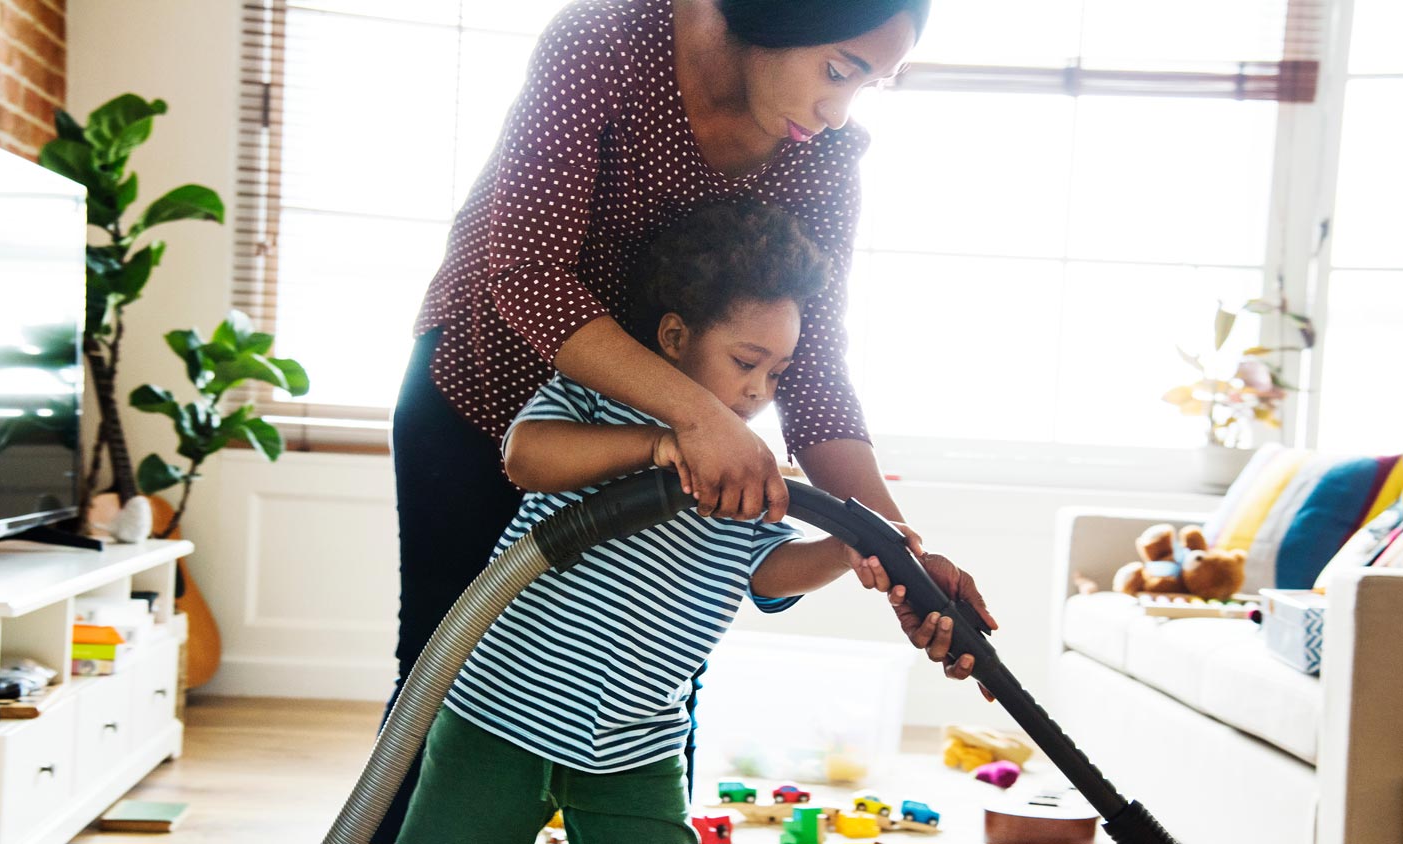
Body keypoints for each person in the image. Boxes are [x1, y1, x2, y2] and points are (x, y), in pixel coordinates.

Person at [384, 1, 996, 838]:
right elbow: (526, 272)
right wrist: (693, 421)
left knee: (655, 696)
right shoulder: (604, 45)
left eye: (868, 84)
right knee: (442, 680)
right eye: (840, 68)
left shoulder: (822, 158)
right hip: (489, 387)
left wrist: (896, 548)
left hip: (689, 432)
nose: (837, 108)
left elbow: (812, 367)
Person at [398, 200, 912, 842]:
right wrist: (656, 444)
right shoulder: (602, 398)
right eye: (745, 362)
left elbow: (771, 574)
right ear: (675, 338)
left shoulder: (749, 474)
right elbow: (525, 455)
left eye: (777, 374)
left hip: (638, 745)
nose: (759, 391)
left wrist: (843, 547)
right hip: (501, 718)